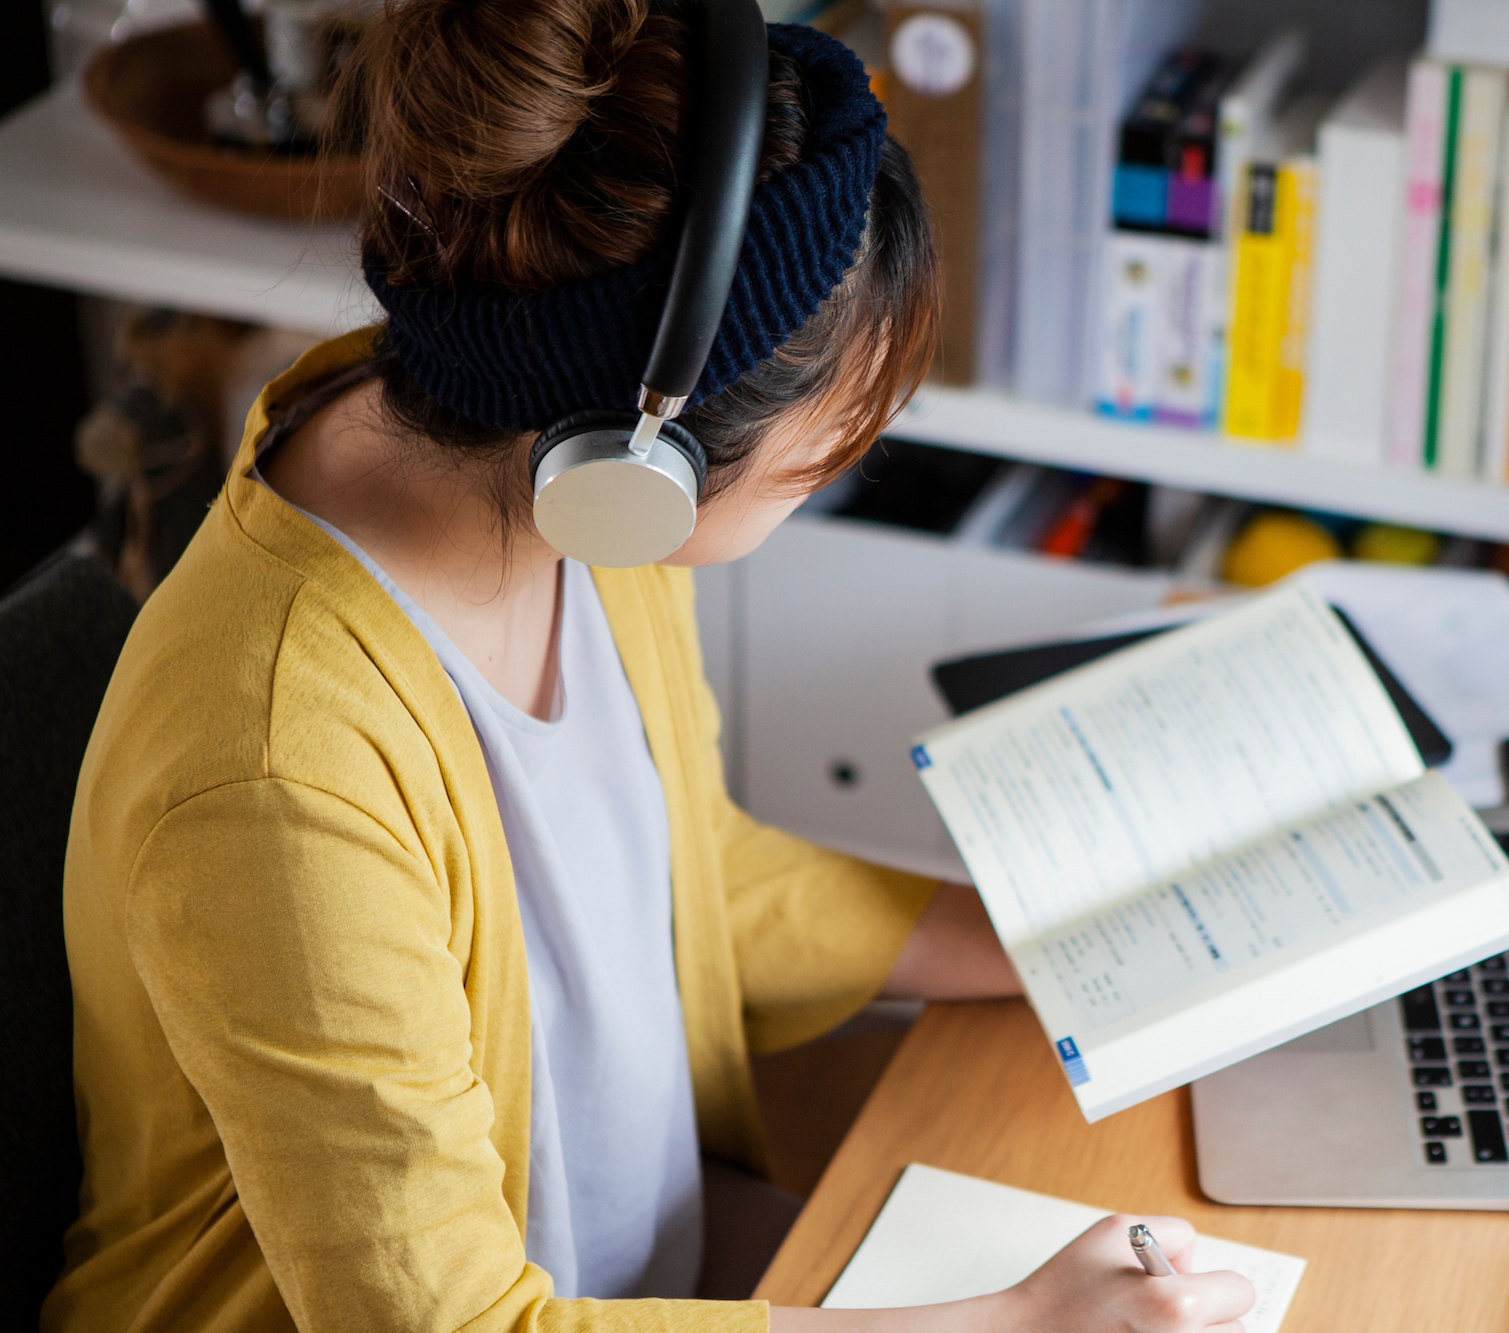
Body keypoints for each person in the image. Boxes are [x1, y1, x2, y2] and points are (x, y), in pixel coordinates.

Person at [50, 3, 1254, 1331]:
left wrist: (1071, 943)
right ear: (645, 460)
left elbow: (690, 887)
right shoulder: (280, 762)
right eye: (827, 453)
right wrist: (1016, 1324)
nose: (849, 464)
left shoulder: (568, 496)